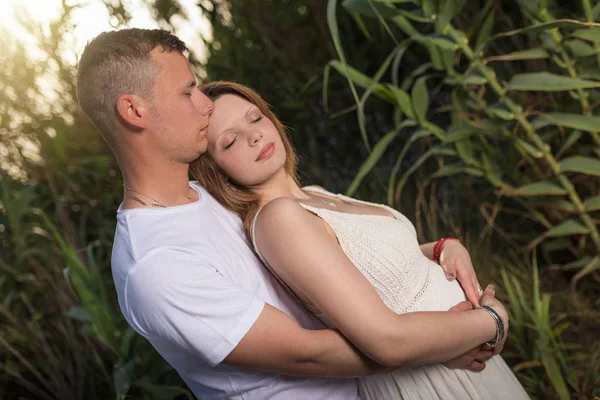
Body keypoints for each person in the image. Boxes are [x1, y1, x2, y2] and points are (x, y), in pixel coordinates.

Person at [76, 28, 503, 399]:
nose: (205, 104)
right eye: (187, 91)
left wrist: (436, 250)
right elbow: (308, 353)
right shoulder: (156, 266)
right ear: (134, 110)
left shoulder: (206, 196)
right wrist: (460, 335)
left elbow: (330, 259)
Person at [190, 81, 530, 399]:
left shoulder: (313, 195)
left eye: (255, 118)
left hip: (462, 359)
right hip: (431, 382)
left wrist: (441, 247)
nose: (254, 136)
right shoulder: (278, 220)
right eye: (230, 141)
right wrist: (492, 320)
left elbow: (369, 263)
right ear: (215, 171)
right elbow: (387, 342)